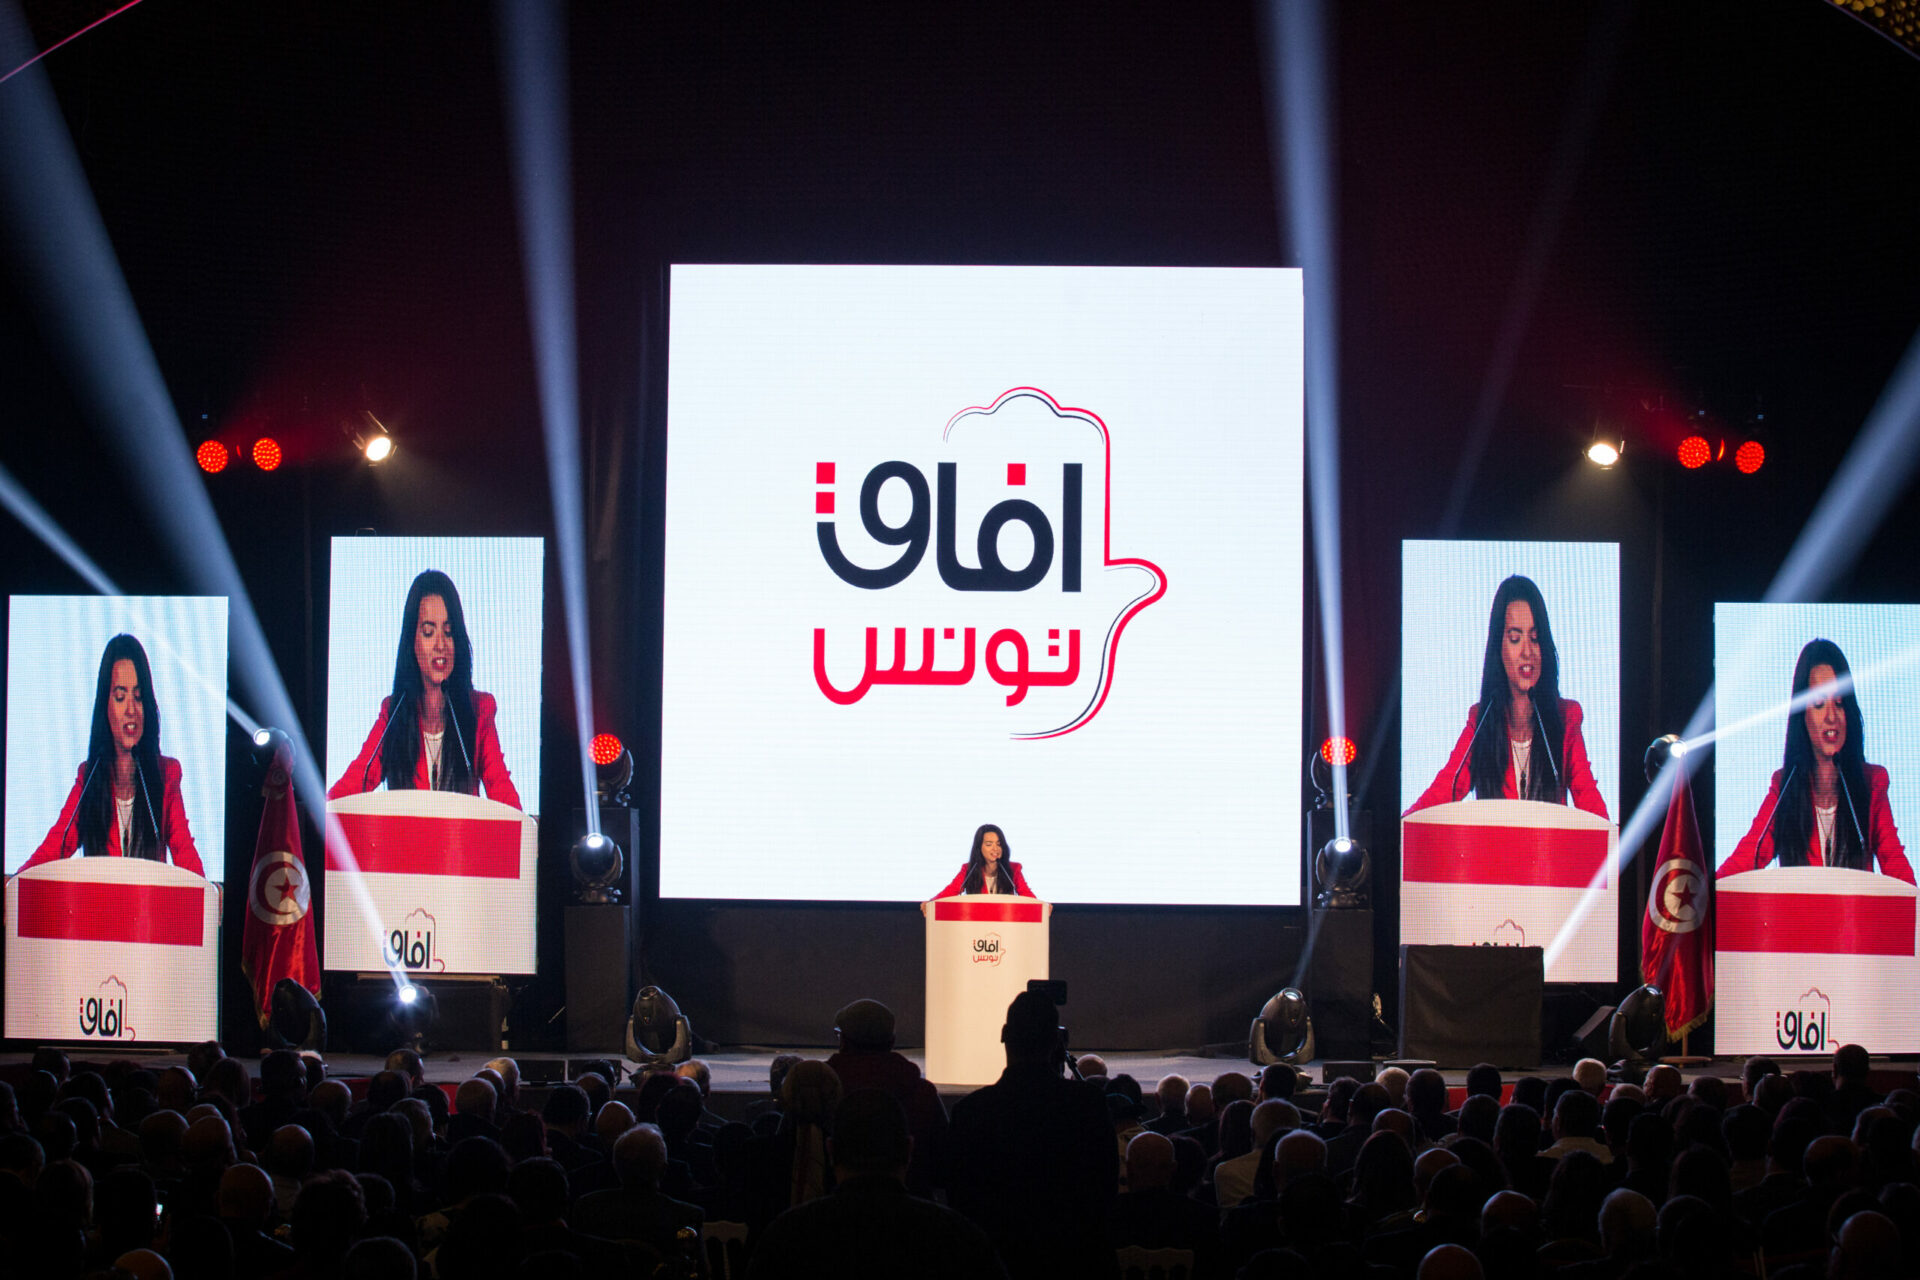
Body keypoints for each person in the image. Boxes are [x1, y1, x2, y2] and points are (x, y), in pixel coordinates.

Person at [1406, 575, 1607, 818]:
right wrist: (1401, 828)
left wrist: (1611, 836)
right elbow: (1443, 790)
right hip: (1493, 844)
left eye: (1535, 638)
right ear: (1498, 647)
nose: (1527, 652)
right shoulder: (1481, 720)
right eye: (1515, 638)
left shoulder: (1567, 717)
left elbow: (1589, 798)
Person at [1716, 639, 1910, 882]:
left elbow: (1895, 863)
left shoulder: (1872, 782)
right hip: (1798, 908)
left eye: (1839, 703)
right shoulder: (1785, 785)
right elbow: (1746, 858)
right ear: (1803, 715)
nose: (1831, 717)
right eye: (1819, 704)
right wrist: (1705, 895)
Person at [328, 569, 520, 808]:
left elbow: (503, 794)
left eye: (448, 632)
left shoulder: (479, 709)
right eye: (429, 632)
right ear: (412, 641)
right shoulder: (393, 712)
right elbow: (352, 785)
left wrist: (523, 825)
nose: (441, 645)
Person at [23, 634, 204, 874]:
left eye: (138, 697)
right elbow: (54, 847)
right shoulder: (89, 777)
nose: (131, 710)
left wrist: (207, 890)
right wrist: (14, 884)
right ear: (105, 706)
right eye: (120, 697)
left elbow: (185, 853)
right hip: (100, 899)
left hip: (147, 898)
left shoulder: (166, 774)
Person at [931, 823, 1034, 898]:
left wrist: (1041, 906)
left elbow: (1028, 897)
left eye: (999, 844)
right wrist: (930, 903)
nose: (995, 848)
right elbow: (950, 892)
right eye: (989, 844)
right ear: (979, 847)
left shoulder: (1014, 869)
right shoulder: (969, 869)